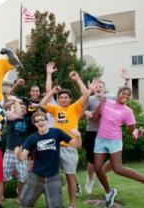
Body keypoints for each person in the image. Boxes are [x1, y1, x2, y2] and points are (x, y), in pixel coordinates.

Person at [39, 72, 94, 208]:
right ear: (58, 99)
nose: (63, 99)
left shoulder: (74, 108)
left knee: (70, 178)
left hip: (70, 148)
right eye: (61, 97)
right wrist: (52, 91)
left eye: (66, 97)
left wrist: (77, 79)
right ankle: (53, 203)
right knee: (52, 178)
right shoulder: (55, 109)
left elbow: (86, 95)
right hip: (55, 148)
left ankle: (72, 205)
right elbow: (42, 103)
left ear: (70, 99)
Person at [15, 111, 82, 208]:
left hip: (53, 176)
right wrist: (17, 153)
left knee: (56, 206)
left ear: (46, 121)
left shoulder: (57, 132)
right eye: (37, 121)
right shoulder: (32, 138)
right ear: (34, 124)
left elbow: (77, 145)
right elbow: (22, 157)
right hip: (36, 176)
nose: (40, 122)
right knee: (24, 203)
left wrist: (78, 136)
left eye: (42, 119)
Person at [92, 86, 144, 208]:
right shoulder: (106, 103)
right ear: (118, 93)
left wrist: (138, 133)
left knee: (118, 169)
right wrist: (100, 104)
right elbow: (94, 119)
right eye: (123, 93)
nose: (125, 96)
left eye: (128, 94)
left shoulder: (128, 111)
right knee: (98, 168)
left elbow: (133, 131)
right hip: (100, 140)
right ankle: (109, 193)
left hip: (114, 141)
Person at [83, 69, 130, 194]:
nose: (98, 88)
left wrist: (126, 81)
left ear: (104, 89)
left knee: (113, 160)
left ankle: (100, 175)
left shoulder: (110, 98)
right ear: (93, 89)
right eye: (96, 87)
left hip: (110, 134)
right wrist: (86, 112)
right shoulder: (90, 99)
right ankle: (90, 178)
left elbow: (123, 95)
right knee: (92, 160)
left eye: (101, 86)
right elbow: (80, 111)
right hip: (93, 132)